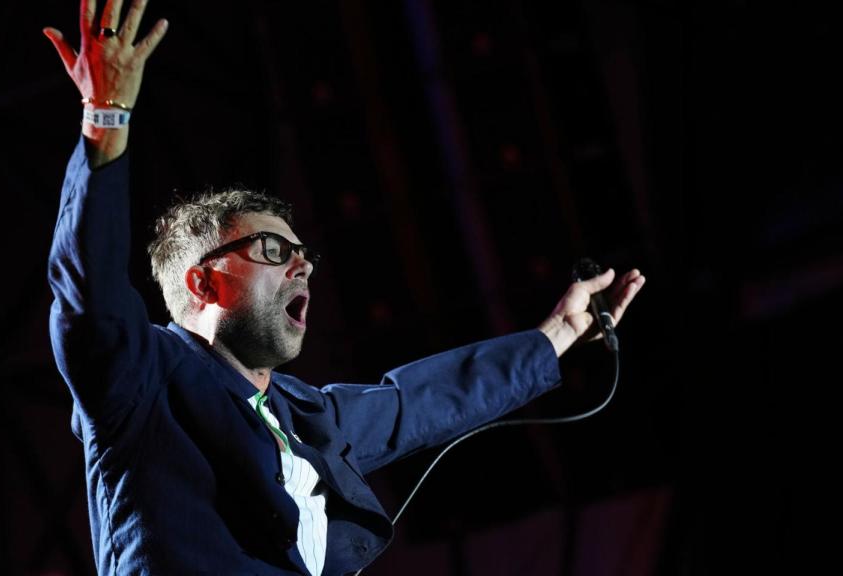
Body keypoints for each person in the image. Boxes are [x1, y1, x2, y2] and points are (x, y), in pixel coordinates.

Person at [44, 1, 646, 574]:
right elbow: (89, 294)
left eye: (305, 255)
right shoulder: (143, 379)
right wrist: (106, 116)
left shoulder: (306, 416)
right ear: (202, 281)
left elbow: (425, 399)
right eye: (275, 251)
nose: (302, 267)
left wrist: (557, 335)